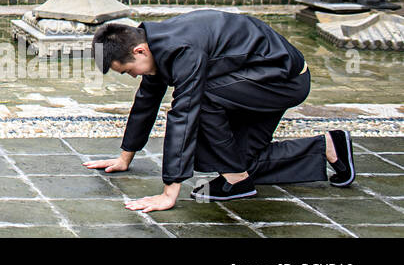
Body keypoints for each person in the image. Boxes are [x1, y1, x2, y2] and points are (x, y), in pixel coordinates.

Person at [85, 11, 355, 211]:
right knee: (240, 159)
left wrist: (169, 193)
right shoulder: (153, 44)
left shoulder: (181, 49)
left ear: (139, 50)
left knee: (200, 100)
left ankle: (236, 181)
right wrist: (124, 158)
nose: (133, 76)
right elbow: (146, 101)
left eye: (129, 70)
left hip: (282, 81)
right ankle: (329, 147)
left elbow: (184, 114)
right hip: (256, 78)